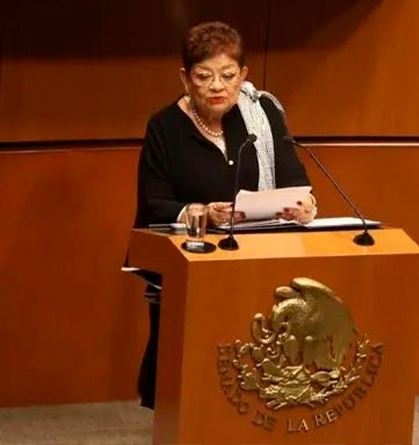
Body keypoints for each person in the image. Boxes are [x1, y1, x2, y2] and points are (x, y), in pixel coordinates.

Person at [127, 21, 317, 409]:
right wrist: (201, 213)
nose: (217, 86)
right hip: (194, 264)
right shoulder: (165, 127)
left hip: (259, 264)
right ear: (185, 78)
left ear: (243, 75)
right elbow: (153, 203)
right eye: (204, 77)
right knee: (196, 376)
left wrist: (307, 205)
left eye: (228, 76)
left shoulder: (262, 113)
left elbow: (296, 180)